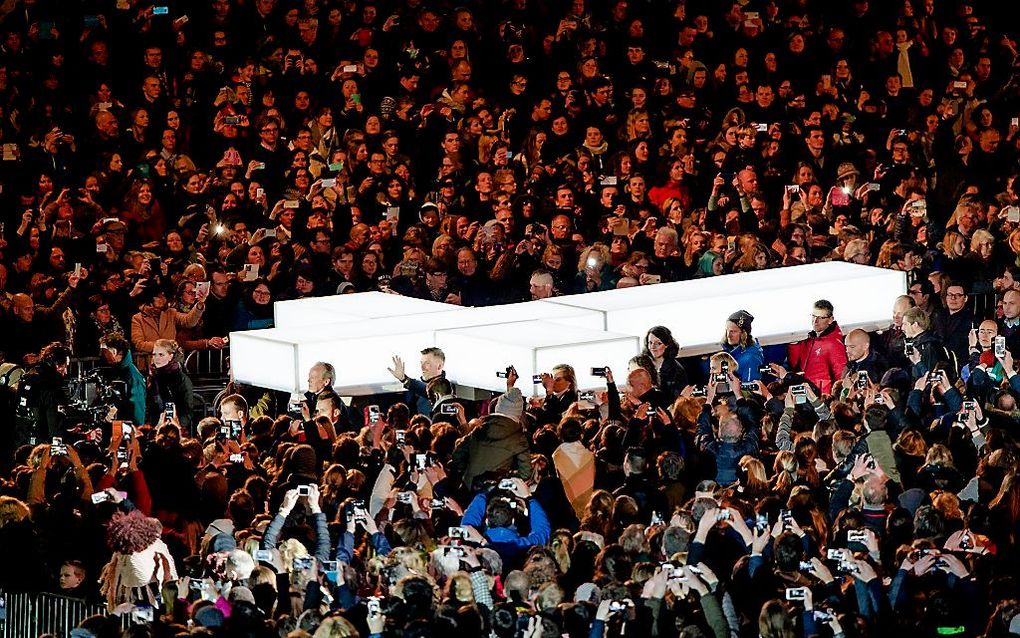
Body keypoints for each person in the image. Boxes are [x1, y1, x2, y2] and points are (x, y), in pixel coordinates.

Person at [451, 367, 531, 491]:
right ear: (518, 414)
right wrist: (505, 478)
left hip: (469, 486)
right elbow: (525, 473)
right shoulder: (518, 438)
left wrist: (468, 469)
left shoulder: (479, 429)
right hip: (494, 490)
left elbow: (458, 454)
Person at [787, 299, 848, 394]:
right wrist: (794, 344)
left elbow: (841, 376)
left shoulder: (834, 344)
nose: (815, 321)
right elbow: (794, 363)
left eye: (821, 318)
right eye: (814, 316)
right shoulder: (810, 338)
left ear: (830, 320)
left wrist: (833, 398)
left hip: (821, 395)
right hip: (805, 391)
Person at [146, 339, 195, 435]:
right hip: (155, 427)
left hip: (175, 429)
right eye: (154, 354)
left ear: (170, 356)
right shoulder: (152, 377)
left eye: (161, 355)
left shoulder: (182, 379)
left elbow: (187, 409)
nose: (156, 358)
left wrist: (176, 427)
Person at [99, 332, 147, 425]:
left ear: (118, 352)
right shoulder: (114, 370)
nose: (104, 355)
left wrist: (138, 429)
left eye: (106, 351)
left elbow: (138, 406)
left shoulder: (133, 376)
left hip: (128, 426)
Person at [387, 347, 448, 416]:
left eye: (427, 363)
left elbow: (428, 390)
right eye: (421, 363)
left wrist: (404, 379)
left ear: (439, 366)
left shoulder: (446, 387)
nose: (422, 367)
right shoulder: (416, 388)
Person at [641, 325, 688, 402]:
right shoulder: (643, 363)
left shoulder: (676, 369)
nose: (653, 347)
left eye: (658, 343)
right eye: (650, 342)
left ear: (667, 345)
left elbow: (673, 400)